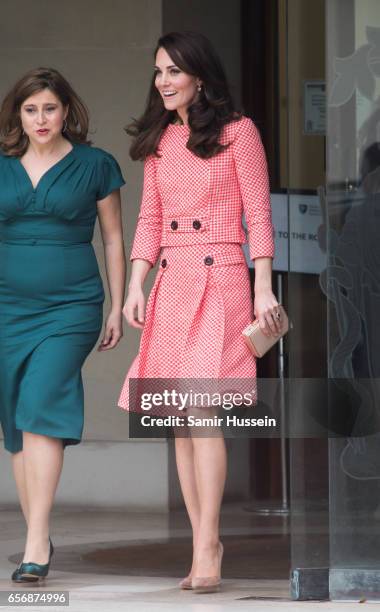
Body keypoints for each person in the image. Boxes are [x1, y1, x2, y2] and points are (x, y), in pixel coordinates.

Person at [118, 31, 280, 593]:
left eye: (173, 72)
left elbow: (259, 215)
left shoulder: (240, 133)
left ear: (200, 77)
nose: (163, 81)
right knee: (181, 423)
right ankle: (199, 543)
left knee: (205, 415)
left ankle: (210, 543)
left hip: (225, 276)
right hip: (174, 281)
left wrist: (263, 289)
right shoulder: (160, 142)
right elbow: (147, 221)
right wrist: (135, 284)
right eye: (158, 72)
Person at [0, 67, 126, 583]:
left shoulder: (96, 165)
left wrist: (117, 305)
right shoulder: (2, 167)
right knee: (15, 424)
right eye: (31, 109)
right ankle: (39, 532)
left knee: (40, 408)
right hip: (7, 307)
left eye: (50, 108)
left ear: (67, 111)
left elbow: (114, 239)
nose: (41, 118)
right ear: (19, 116)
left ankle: (35, 545)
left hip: (71, 306)